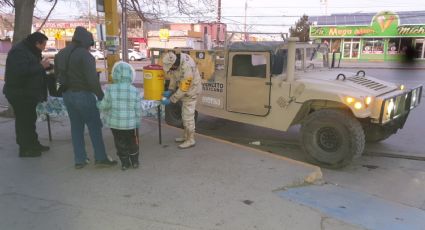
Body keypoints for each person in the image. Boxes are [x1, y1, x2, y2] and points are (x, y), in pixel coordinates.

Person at [54, 26, 117, 169]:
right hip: (83, 95)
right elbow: (92, 80)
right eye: (89, 45)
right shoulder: (85, 55)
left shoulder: (61, 54)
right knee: (94, 126)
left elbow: (57, 75)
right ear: (85, 42)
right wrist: (101, 97)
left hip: (67, 95)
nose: (89, 48)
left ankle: (79, 159)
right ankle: (100, 158)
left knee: (76, 127)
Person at [3, 32, 51, 157]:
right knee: (24, 121)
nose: (44, 47)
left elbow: (33, 67)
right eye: (44, 45)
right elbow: (20, 72)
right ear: (37, 43)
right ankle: (25, 149)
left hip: (28, 93)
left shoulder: (31, 50)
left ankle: (33, 143)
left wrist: (48, 67)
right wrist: (40, 66)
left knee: (30, 120)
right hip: (19, 93)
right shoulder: (18, 52)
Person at [98, 61, 142, 170]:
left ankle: (125, 164)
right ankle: (135, 162)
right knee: (132, 142)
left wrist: (98, 104)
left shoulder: (110, 89)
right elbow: (138, 109)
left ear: (115, 74)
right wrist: (137, 122)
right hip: (130, 124)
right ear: (130, 75)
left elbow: (104, 106)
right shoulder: (134, 90)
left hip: (115, 124)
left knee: (120, 142)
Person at [161, 51, 202, 149]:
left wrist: (172, 99)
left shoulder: (187, 66)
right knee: (184, 115)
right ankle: (186, 136)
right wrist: (170, 90)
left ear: (174, 64)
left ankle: (190, 139)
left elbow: (184, 87)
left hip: (191, 92)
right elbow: (174, 77)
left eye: (171, 68)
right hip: (186, 92)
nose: (171, 69)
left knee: (188, 117)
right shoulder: (176, 62)